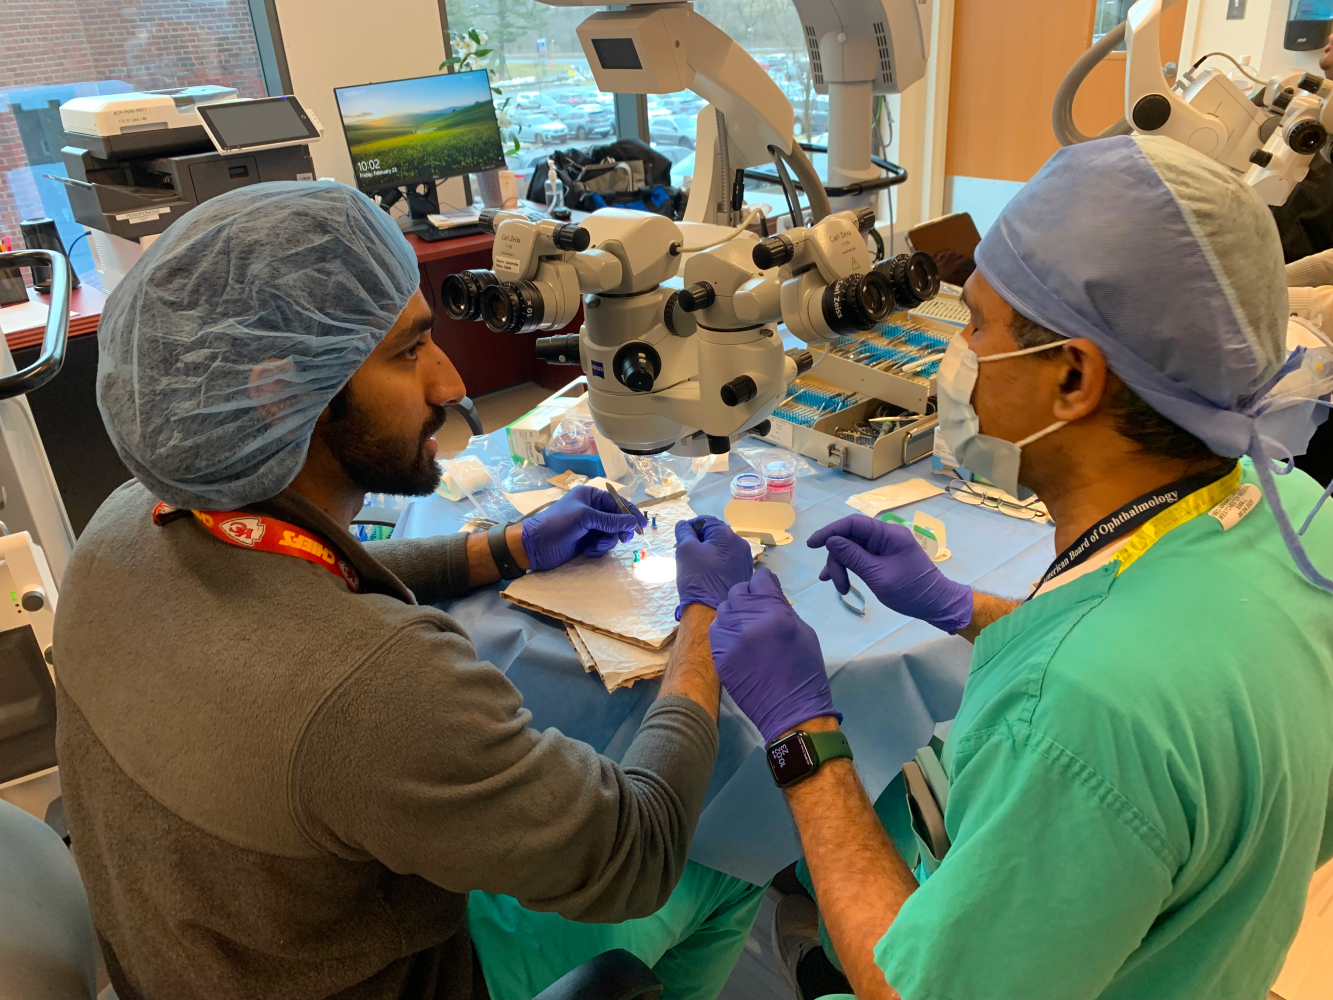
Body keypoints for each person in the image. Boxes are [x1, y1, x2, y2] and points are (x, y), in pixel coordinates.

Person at [52, 181, 764, 1000]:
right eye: (408, 352)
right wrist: (702, 616)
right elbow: (636, 853)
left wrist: (508, 546)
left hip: (206, 952)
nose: (450, 382)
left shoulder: (126, 522)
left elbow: (306, 573)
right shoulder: (372, 686)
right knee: (732, 851)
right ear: (279, 391)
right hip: (392, 975)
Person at [710, 135, 1333, 999]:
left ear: (1073, 377)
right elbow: (1188, 698)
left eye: (974, 324)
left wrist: (799, 735)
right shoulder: (1295, 514)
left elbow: (914, 990)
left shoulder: (1080, 712)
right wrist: (960, 605)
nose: (954, 354)